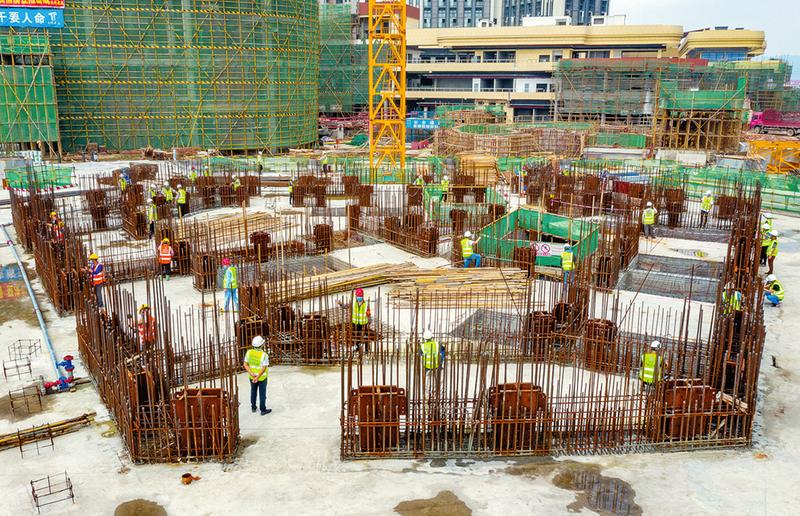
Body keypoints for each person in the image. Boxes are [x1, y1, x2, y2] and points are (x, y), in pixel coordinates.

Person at [244, 336, 271, 415]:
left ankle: (253, 407)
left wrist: (252, 374)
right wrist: (258, 377)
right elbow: (263, 368)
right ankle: (263, 410)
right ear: (262, 345)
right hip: (262, 378)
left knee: (253, 392)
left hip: (252, 377)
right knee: (262, 394)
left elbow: (245, 365)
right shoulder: (264, 355)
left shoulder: (249, 352)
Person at [351, 288, 371, 352]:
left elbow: (369, 314)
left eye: (360, 296)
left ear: (362, 296)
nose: (359, 298)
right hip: (355, 323)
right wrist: (341, 304)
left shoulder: (366, 304)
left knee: (365, 336)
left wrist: (369, 320)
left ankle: (367, 349)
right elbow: (347, 306)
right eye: (357, 296)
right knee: (356, 336)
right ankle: (357, 347)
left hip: (363, 323)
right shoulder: (354, 304)